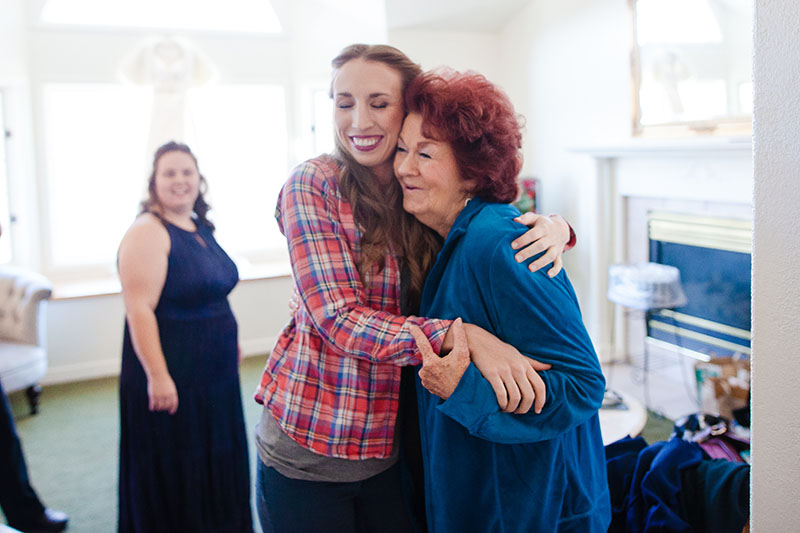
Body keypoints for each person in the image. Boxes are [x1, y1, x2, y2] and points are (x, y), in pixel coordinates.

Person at [254, 44, 574, 532]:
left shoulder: (416, 189)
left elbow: (488, 214)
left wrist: (557, 228)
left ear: (409, 109)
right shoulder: (314, 184)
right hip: (313, 445)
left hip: (395, 449)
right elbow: (338, 318)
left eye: (379, 103)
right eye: (344, 103)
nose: (359, 120)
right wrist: (461, 336)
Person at [397, 69, 610, 531]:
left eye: (425, 153)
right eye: (402, 150)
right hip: (488, 489)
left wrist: (462, 390)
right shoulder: (451, 237)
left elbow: (583, 385)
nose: (403, 167)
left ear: (472, 172)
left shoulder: (499, 245)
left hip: (532, 506)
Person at [117, 142, 252, 532]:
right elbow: (138, 309)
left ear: (199, 179)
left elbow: (212, 291)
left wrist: (231, 339)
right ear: (153, 183)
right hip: (175, 372)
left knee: (217, 459)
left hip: (214, 371)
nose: (180, 181)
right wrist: (158, 377)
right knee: (181, 465)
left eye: (187, 172)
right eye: (170, 173)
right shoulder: (148, 232)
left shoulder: (198, 226)